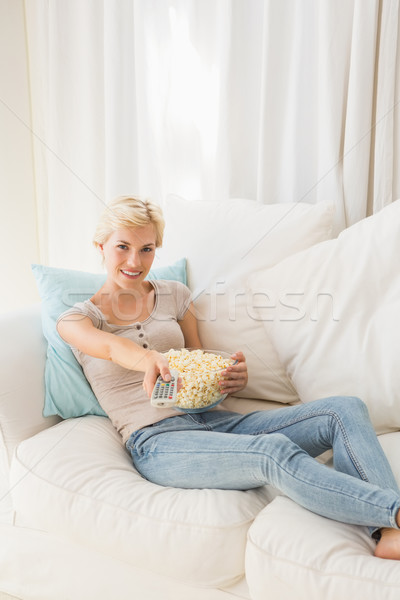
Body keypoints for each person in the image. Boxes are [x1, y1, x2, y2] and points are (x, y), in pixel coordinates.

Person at [57, 195, 400, 561]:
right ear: (100, 246)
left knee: (343, 410)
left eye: (147, 249)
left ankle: (390, 532)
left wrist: (225, 381)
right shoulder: (77, 320)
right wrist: (149, 359)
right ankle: (394, 512)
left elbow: (197, 367)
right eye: (122, 247)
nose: (134, 261)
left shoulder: (175, 296)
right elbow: (110, 349)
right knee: (271, 451)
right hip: (159, 443)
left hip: (216, 422)